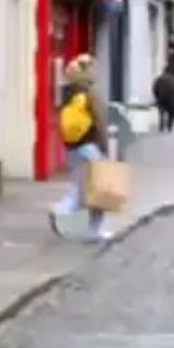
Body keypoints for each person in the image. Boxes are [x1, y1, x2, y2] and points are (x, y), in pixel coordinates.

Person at [49, 54, 112, 242]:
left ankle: (60, 210)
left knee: (79, 188)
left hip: (73, 149)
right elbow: (100, 122)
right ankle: (95, 231)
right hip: (91, 147)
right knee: (100, 191)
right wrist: (105, 148)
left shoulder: (67, 93)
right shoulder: (90, 93)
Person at [151, 66, 174, 133]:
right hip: (171, 99)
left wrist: (157, 97)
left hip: (161, 99)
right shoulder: (173, 79)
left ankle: (161, 126)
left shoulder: (159, 79)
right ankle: (169, 126)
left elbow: (155, 88)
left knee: (161, 113)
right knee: (170, 114)